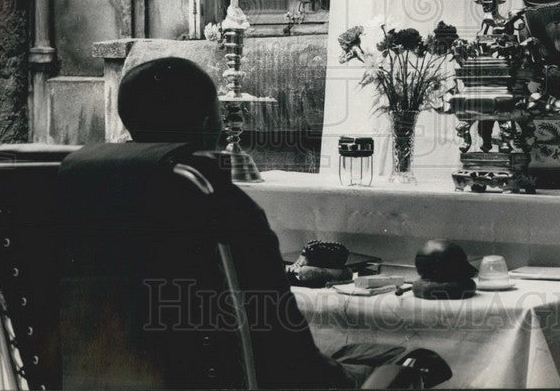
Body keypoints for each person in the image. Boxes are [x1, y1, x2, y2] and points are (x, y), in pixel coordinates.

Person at [116, 57, 407, 389]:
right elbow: (286, 346)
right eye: (218, 113)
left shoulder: (102, 194)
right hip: (252, 378)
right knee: (408, 360)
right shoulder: (223, 205)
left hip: (132, 374)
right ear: (207, 123)